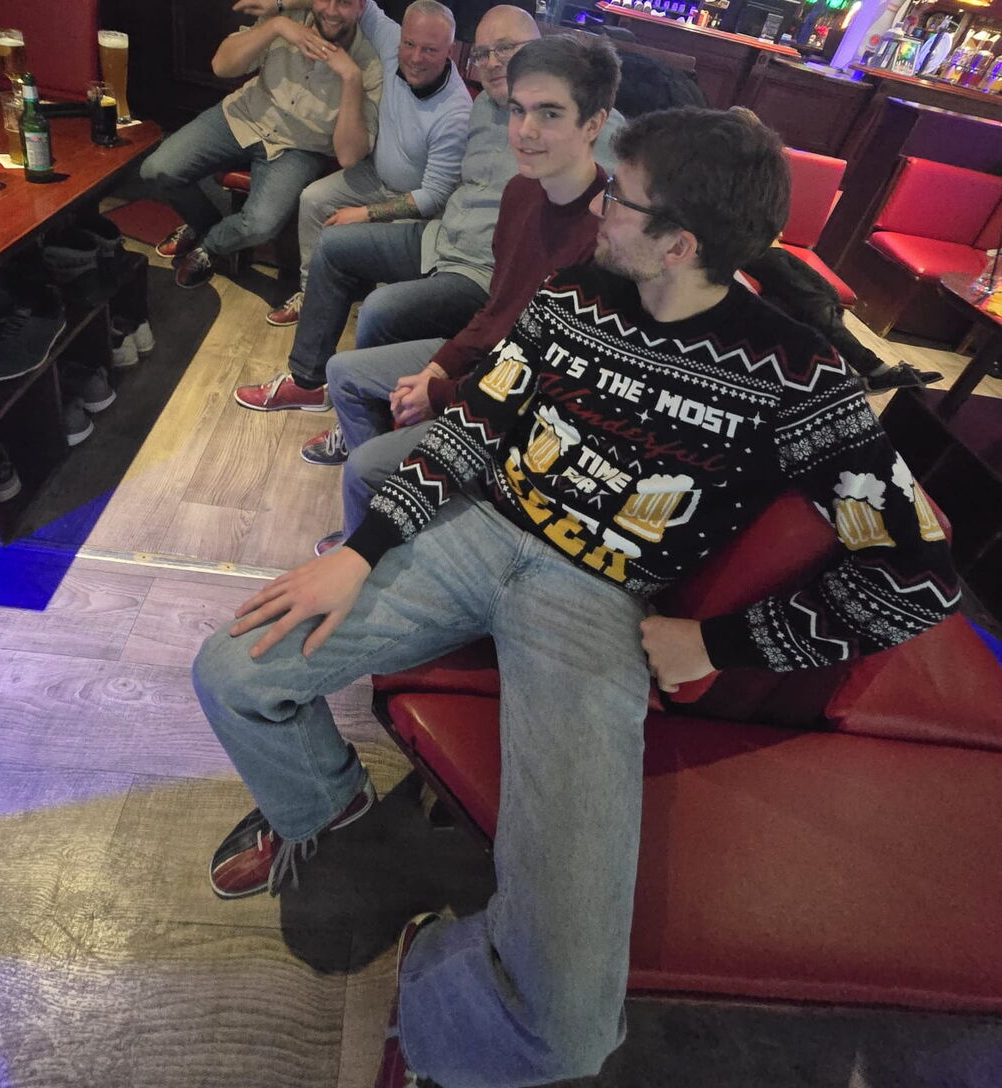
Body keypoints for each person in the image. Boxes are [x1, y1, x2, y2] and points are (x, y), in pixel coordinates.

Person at [193, 105, 958, 1088]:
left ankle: (432, 992)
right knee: (231, 672)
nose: (597, 206)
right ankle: (337, 821)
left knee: (567, 1032)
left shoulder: (799, 377)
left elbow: (915, 575)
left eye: (619, 197)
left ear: (679, 243)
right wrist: (364, 548)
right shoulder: (578, 292)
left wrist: (720, 643)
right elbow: (477, 423)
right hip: (476, 536)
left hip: (597, 604)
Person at [317, 33, 619, 554]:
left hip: (529, 409)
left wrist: (442, 394)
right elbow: (497, 310)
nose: (524, 131)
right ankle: (397, 517)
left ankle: (372, 542)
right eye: (518, 110)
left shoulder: (609, 234)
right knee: (344, 373)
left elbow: (548, 379)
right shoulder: (521, 192)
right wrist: (439, 368)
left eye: (549, 114)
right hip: (492, 364)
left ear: (593, 124)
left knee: (363, 466)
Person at [231, 4, 541, 413]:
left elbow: (435, 195)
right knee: (333, 245)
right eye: (483, 53)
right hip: (440, 239)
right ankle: (308, 382)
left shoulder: (549, 121)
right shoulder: (485, 105)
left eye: (506, 48)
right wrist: (278, 1)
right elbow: (359, 2)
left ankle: (364, 418)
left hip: (480, 271)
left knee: (379, 309)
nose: (493, 62)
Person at [615, 50, 942, 394]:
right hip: (737, 247)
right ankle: (870, 368)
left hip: (765, 246)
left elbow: (771, 219)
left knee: (825, 292)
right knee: (808, 297)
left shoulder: (753, 176)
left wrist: (766, 228)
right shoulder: (708, 167)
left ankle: (837, 369)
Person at [139, 0, 383, 289]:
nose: (330, 10)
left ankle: (210, 245)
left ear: (360, 6)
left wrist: (351, 79)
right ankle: (204, 225)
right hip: (243, 116)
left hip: (298, 147)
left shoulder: (369, 65)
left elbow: (350, 157)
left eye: (343, 2)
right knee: (156, 170)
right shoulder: (288, 18)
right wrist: (275, 27)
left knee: (261, 225)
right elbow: (221, 67)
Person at [234, 0, 472, 327]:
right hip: (375, 175)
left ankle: (378, 317)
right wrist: (278, 0)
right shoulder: (391, 41)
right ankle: (311, 294)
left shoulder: (456, 113)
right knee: (314, 199)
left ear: (450, 51)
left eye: (430, 50)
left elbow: (433, 196)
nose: (415, 58)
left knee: (386, 292)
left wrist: (365, 214)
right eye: (409, 44)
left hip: (418, 204)